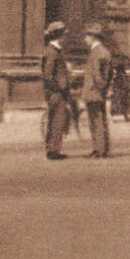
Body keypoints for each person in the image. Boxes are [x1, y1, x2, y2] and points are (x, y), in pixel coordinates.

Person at [80, 24, 113, 158]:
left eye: (86, 36)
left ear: (93, 37)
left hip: (94, 92)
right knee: (101, 121)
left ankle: (98, 150)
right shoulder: (105, 51)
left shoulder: (96, 53)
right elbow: (109, 74)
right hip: (100, 92)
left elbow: (96, 74)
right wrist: (105, 89)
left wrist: (99, 88)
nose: (85, 39)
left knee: (95, 122)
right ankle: (103, 148)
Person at [41, 21, 72, 160]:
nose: (64, 38)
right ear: (59, 36)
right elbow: (48, 75)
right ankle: (53, 151)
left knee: (54, 120)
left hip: (55, 91)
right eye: (63, 35)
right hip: (56, 92)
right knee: (57, 121)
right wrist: (58, 89)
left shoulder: (53, 51)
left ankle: (52, 149)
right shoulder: (53, 52)